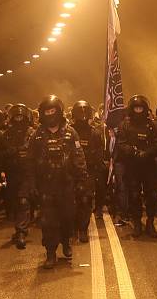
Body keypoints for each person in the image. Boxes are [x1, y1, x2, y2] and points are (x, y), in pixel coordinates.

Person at [25, 95, 88, 268]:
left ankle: (67, 242)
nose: (50, 114)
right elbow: (30, 161)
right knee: (48, 221)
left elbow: (79, 157)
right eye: (47, 111)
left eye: (53, 111)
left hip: (66, 185)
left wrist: (82, 181)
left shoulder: (70, 132)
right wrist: (31, 184)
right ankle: (51, 253)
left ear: (59, 112)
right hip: (46, 186)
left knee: (67, 217)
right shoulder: (37, 136)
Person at [116, 95, 157, 238]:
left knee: (153, 195)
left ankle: (150, 222)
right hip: (132, 165)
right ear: (132, 109)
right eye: (136, 108)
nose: (138, 111)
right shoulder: (124, 124)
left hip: (149, 165)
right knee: (134, 195)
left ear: (145, 109)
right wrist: (134, 152)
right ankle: (137, 222)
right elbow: (121, 143)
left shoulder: (153, 125)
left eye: (141, 108)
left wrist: (147, 152)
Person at [0, 103, 35, 249]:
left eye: (21, 116)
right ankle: (20, 227)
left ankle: (21, 232)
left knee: (23, 200)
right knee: (15, 201)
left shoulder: (33, 133)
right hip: (13, 173)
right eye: (17, 116)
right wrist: (14, 152)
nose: (19, 119)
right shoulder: (7, 135)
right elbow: (0, 154)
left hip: (28, 172)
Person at [70, 100, 105, 243]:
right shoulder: (68, 131)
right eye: (80, 112)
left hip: (88, 172)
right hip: (70, 172)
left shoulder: (95, 133)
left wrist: (93, 170)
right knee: (71, 201)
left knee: (85, 200)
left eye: (85, 113)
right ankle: (72, 227)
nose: (83, 116)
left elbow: (99, 153)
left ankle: (83, 228)